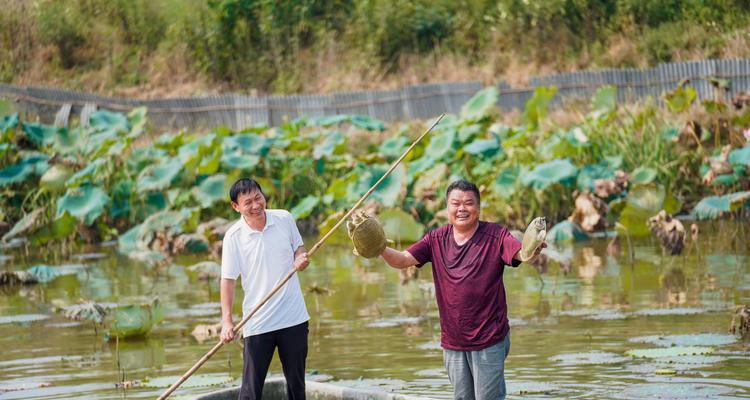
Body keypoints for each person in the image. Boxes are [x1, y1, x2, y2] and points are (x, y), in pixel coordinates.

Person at [378, 179, 544, 400]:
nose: (462, 209)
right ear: (447, 208)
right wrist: (378, 246)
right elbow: (401, 260)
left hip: (489, 338)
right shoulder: (435, 239)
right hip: (453, 342)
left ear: (478, 208)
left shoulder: (496, 236)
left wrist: (534, 249)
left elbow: (522, 255)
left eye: (468, 203)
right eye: (455, 203)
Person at [220, 178, 311, 400]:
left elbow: (299, 248)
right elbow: (228, 280)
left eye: (258, 198)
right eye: (248, 202)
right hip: (258, 322)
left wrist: (301, 258)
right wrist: (227, 321)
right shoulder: (233, 237)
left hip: (294, 318)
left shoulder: (284, 218)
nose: (256, 205)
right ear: (236, 207)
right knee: (250, 391)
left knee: (297, 387)